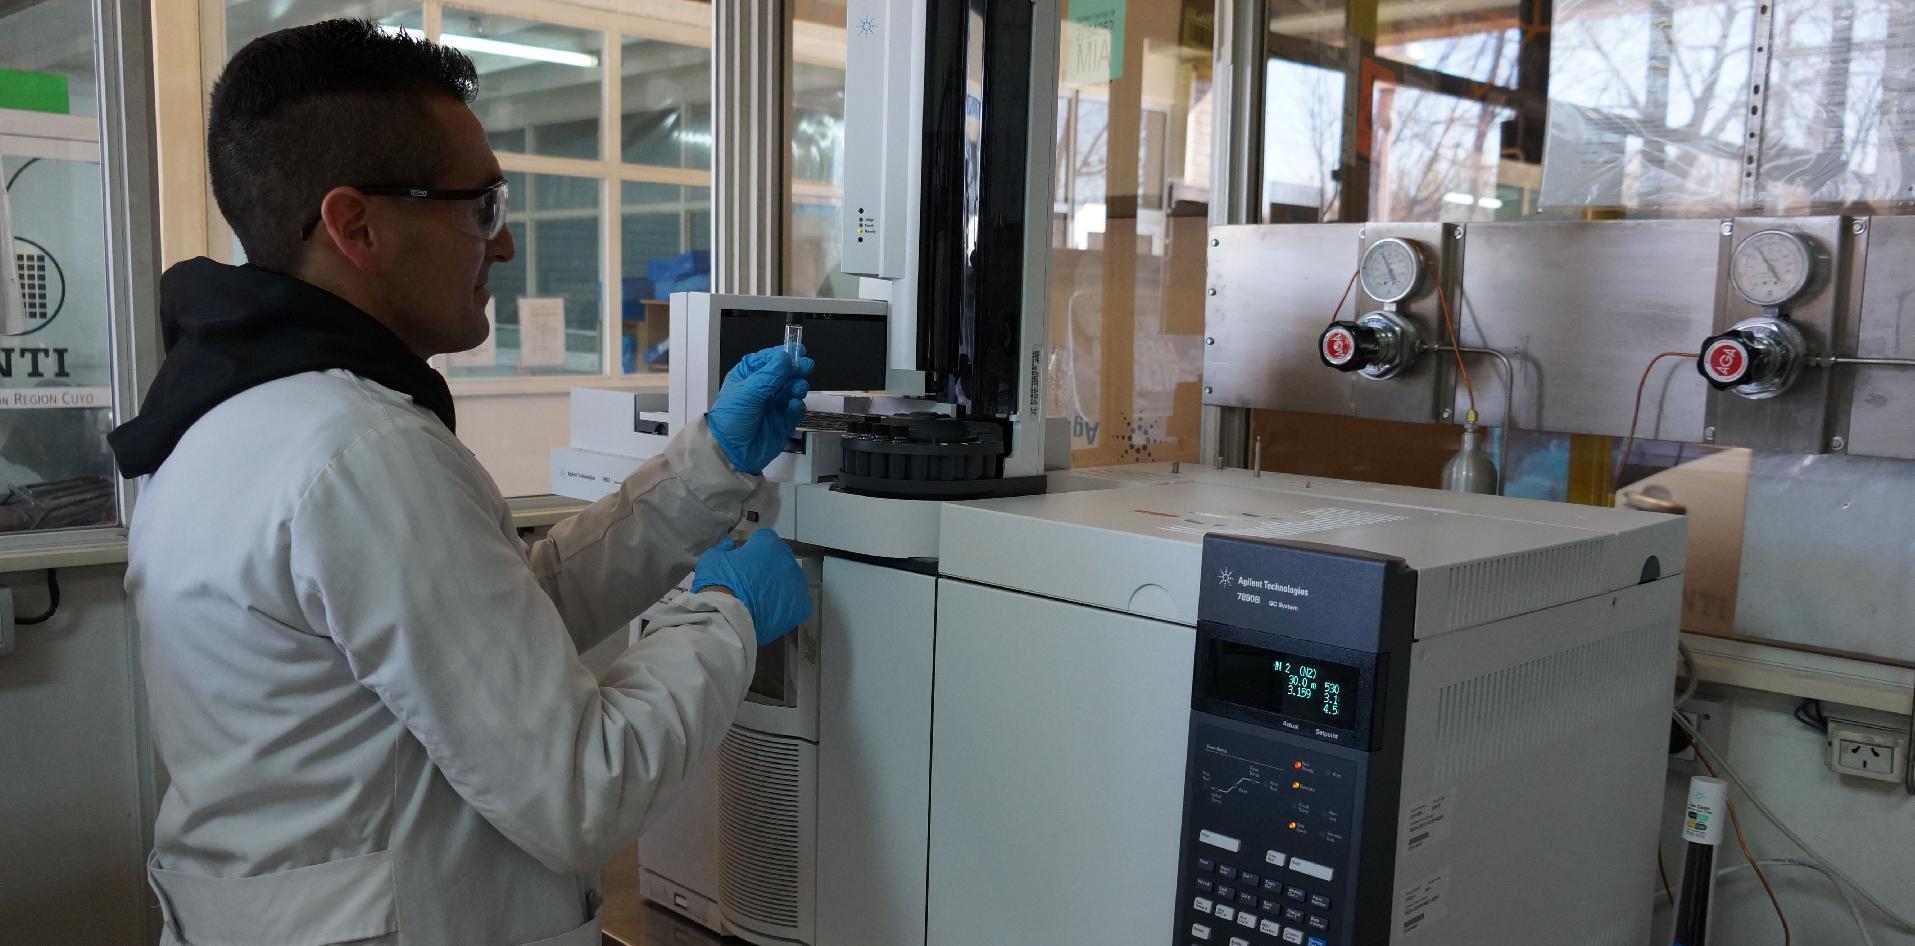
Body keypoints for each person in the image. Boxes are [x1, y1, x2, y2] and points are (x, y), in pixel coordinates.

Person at [107, 20, 812, 946]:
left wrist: (706, 469)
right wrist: (720, 617)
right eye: (479, 207)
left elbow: (491, 624)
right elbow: (582, 790)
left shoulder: (228, 418)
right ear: (354, 224)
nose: (506, 244)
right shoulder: (360, 452)